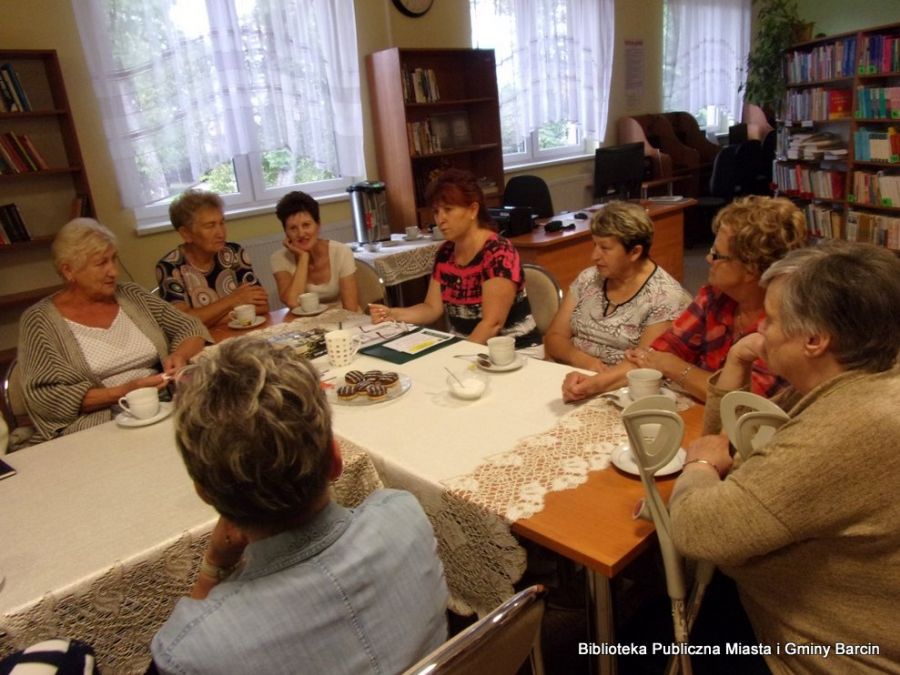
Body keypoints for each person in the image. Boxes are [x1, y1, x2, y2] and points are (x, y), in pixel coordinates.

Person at [151, 337, 449, 675]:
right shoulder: (403, 514)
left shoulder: (190, 650)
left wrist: (213, 568)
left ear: (204, 493)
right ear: (336, 460)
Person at [669, 242, 900, 674]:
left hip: (817, 651)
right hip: (804, 606)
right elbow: (734, 441)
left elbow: (700, 529)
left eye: (772, 320)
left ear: (814, 339)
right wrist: (737, 359)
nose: (761, 327)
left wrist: (698, 464)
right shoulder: (862, 371)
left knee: (638, 640)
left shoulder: (852, 425)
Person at [563, 196, 806, 403]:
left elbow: (743, 400)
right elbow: (658, 352)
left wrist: (672, 366)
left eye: (717, 255)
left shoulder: (786, 324)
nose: (708, 259)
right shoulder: (714, 296)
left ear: (751, 268)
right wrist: (593, 384)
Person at [18, 219, 209, 443]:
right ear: (69, 270)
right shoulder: (39, 321)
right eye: (101, 263)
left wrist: (180, 355)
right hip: (97, 425)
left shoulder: (132, 295)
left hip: (164, 405)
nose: (113, 272)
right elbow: (45, 398)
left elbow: (190, 326)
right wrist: (123, 391)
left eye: (114, 260)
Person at [369, 169, 540, 347]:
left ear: (473, 210)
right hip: (471, 348)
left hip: (514, 350)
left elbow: (492, 324)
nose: (440, 219)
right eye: (436, 211)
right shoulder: (446, 253)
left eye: (448, 210)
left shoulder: (498, 252)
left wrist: (457, 355)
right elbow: (431, 308)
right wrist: (393, 314)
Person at [545, 201, 689, 388]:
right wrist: (581, 360)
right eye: (595, 245)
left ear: (635, 252)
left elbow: (644, 363)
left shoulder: (665, 296)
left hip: (620, 387)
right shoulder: (589, 278)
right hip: (571, 374)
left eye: (604, 248)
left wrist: (595, 380)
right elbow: (554, 336)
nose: (594, 256)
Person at [156, 189, 269, 326]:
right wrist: (233, 299)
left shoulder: (234, 253)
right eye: (210, 226)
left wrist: (208, 319)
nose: (220, 233)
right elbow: (183, 322)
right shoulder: (170, 267)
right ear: (186, 234)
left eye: (221, 223)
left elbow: (263, 306)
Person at [270, 190, 360, 311]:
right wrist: (303, 257)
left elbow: (351, 309)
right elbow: (292, 302)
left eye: (306, 225)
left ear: (318, 225)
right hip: (305, 323)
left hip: (342, 321)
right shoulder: (279, 259)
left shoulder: (342, 252)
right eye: (293, 228)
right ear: (286, 232)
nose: (301, 233)